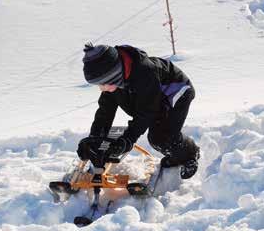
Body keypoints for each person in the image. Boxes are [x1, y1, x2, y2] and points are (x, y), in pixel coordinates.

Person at [77, 43, 200, 179]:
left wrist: (127, 140)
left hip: (177, 93)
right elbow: (105, 111)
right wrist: (94, 138)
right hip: (151, 98)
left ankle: (190, 154)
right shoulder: (117, 77)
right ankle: (177, 153)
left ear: (114, 76)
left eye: (103, 84)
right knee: (157, 133)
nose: (101, 88)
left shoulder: (145, 74)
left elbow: (146, 113)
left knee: (161, 138)